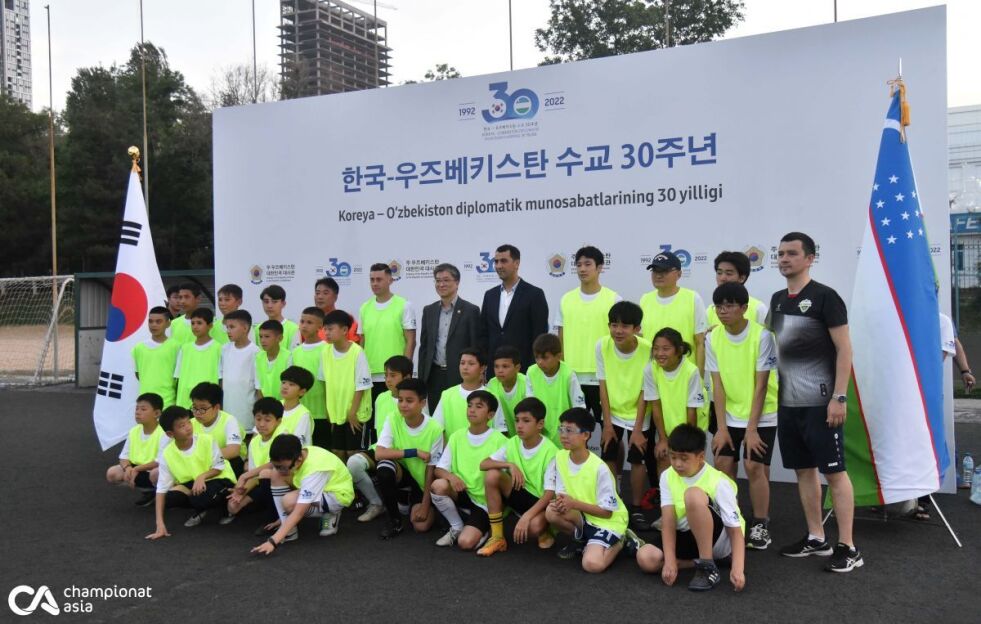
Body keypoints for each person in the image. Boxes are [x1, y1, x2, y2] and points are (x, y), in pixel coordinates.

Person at [769, 231, 862, 572]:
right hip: (788, 404)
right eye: (780, 253)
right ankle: (816, 537)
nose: (784, 259)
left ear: (810, 258)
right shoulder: (778, 299)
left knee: (834, 473)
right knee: (803, 471)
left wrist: (839, 396)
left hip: (822, 404)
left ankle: (849, 547)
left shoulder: (825, 297)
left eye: (792, 253)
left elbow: (845, 349)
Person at [706, 282, 778, 550]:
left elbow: (761, 386)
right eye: (719, 307)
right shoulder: (713, 338)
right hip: (729, 414)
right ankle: (731, 519)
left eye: (729, 306)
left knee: (754, 466)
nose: (723, 311)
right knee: (722, 463)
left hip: (762, 415)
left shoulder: (762, 336)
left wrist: (751, 429)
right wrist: (721, 427)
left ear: (744, 308)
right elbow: (717, 386)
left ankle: (760, 524)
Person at [635, 424, 746, 592]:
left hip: (720, 541)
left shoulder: (719, 481)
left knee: (693, 495)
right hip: (687, 533)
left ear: (701, 456)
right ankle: (699, 562)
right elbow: (668, 522)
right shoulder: (667, 476)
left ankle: (707, 567)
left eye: (684, 458)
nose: (677, 464)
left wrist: (738, 569)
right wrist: (670, 561)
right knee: (646, 559)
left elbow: (735, 530)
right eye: (673, 457)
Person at [545, 407, 641, 572]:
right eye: (561, 429)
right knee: (551, 511)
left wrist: (573, 504)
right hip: (583, 515)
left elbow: (607, 513)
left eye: (569, 430)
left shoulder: (599, 468)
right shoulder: (560, 457)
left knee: (592, 565)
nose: (563, 435)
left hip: (607, 522)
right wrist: (564, 503)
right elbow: (563, 494)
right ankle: (581, 540)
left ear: (586, 435)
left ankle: (621, 540)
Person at [477, 397, 558, 556]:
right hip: (519, 493)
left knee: (533, 528)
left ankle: (545, 530)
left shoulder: (551, 451)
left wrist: (527, 516)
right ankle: (497, 537)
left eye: (526, 421)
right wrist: (509, 465)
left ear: (540, 424)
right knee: (492, 474)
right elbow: (483, 464)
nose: (519, 425)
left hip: (541, 502)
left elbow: (549, 494)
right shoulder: (513, 442)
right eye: (517, 420)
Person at [250, 434, 355, 554]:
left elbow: (299, 512)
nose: (280, 470)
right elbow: (276, 466)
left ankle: (331, 513)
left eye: (282, 467)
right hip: (322, 487)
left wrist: (272, 541)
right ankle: (288, 529)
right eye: (276, 466)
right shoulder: (298, 453)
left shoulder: (314, 470)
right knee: (274, 474)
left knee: (289, 502)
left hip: (337, 495)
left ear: (299, 460)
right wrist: (245, 476)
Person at [599, 301, 654, 531]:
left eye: (624, 326)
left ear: (637, 328)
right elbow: (603, 385)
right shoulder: (602, 345)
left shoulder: (648, 349)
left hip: (638, 413)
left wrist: (638, 429)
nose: (618, 331)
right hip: (612, 412)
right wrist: (607, 424)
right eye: (614, 325)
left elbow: (645, 390)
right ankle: (613, 502)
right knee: (609, 453)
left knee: (637, 459)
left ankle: (636, 508)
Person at [430, 390, 508, 549]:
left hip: (485, 503)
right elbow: (439, 470)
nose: (472, 410)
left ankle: (483, 527)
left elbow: (501, 481)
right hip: (462, 493)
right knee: (439, 485)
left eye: (479, 407)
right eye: (469, 405)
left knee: (465, 543)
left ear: (491, 415)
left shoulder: (500, 440)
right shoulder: (456, 436)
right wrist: (452, 477)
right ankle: (457, 526)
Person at [145, 406, 236, 539]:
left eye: (188, 422)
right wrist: (160, 524)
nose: (188, 427)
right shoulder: (167, 453)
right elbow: (161, 489)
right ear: (170, 434)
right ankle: (198, 503)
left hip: (219, 478)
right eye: (182, 426)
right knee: (169, 498)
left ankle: (224, 508)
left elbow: (219, 467)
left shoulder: (207, 440)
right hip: (193, 484)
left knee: (202, 498)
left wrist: (202, 477)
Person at [346, 355, 416, 524]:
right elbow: (379, 434)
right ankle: (376, 503)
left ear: (407, 377)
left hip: (406, 456)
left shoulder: (417, 400)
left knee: (386, 466)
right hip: (382, 450)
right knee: (353, 463)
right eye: (386, 375)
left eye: (393, 375)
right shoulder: (381, 398)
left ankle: (404, 493)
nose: (388, 379)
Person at [557, 245, 622, 426]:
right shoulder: (566, 299)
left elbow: (620, 338)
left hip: (603, 376)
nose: (582, 269)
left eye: (587, 264)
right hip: (573, 376)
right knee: (572, 428)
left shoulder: (613, 299)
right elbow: (560, 336)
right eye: (578, 265)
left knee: (610, 431)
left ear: (599, 267)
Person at [372, 378, 443, 538]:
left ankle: (410, 499)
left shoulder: (435, 428)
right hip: (403, 474)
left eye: (409, 401)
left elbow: (431, 470)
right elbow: (379, 453)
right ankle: (395, 521)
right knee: (384, 467)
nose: (403, 405)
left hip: (423, 482)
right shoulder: (393, 418)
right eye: (400, 400)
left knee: (421, 526)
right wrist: (414, 452)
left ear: (422, 403)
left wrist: (425, 505)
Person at [641, 328, 704, 481]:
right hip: (667, 428)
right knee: (663, 458)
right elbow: (656, 406)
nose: (659, 353)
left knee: (687, 465)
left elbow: (691, 412)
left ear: (679, 350)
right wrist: (663, 439)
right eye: (656, 348)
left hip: (691, 429)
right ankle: (665, 496)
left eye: (666, 349)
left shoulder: (691, 371)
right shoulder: (650, 369)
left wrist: (687, 443)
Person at [478, 244, 550, 372]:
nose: (499, 266)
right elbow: (484, 334)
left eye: (504, 261)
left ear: (517, 263)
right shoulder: (490, 295)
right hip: (494, 370)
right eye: (496, 261)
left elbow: (539, 336)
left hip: (524, 369)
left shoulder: (535, 294)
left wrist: (533, 368)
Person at [418, 263, 481, 408]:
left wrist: (477, 375)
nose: (441, 284)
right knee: (436, 416)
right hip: (433, 376)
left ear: (457, 282)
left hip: (460, 374)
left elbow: (476, 346)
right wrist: (422, 377)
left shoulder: (471, 310)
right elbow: (424, 347)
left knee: (460, 413)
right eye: (438, 280)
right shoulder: (429, 311)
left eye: (446, 280)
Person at [639, 251, 708, 374]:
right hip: (652, 376)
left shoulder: (692, 299)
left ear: (679, 274)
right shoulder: (645, 300)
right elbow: (641, 341)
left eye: (664, 271)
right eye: (655, 271)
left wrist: (699, 378)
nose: (658, 275)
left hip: (685, 376)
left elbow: (700, 343)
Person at [359, 263, 417, 404]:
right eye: (372, 280)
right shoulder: (364, 307)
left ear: (390, 280)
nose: (375, 283)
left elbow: (411, 341)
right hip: (370, 375)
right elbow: (362, 341)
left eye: (379, 279)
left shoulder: (404, 305)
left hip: (395, 375)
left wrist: (405, 372)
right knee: (374, 416)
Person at [322, 310, 373, 461]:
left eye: (330, 329)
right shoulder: (325, 351)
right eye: (325, 329)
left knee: (353, 454)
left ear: (345, 330)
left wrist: (352, 412)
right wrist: (328, 409)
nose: (326, 333)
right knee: (337, 452)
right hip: (336, 414)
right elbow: (324, 381)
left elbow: (362, 385)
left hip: (355, 414)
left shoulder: (357, 352)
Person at [226, 397, 285, 526]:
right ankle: (265, 507)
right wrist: (241, 491)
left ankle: (276, 518)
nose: (262, 424)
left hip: (285, 482)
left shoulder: (283, 435)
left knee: (266, 474)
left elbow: (276, 463)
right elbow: (254, 476)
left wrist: (245, 476)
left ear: (278, 421)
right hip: (262, 483)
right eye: (258, 419)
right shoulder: (254, 442)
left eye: (267, 420)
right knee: (233, 506)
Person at [525, 333, 586, 445]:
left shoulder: (568, 374)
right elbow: (530, 405)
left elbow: (579, 408)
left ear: (558, 356)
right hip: (540, 434)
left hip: (565, 436)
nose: (540, 362)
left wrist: (570, 432)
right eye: (537, 357)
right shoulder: (531, 372)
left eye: (545, 358)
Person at [432, 348, 507, 438]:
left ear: (482, 368)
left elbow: (501, 431)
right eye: (462, 363)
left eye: (471, 364)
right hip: (453, 447)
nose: (465, 367)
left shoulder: (492, 396)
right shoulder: (447, 395)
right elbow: (437, 428)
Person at [106, 392, 165, 506]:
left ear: (157, 413)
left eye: (143, 409)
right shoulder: (134, 431)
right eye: (137, 408)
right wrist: (128, 468)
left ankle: (161, 493)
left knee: (156, 474)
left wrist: (136, 469)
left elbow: (160, 461)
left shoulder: (163, 433)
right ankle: (148, 492)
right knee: (112, 473)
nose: (137, 412)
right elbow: (124, 456)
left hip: (152, 470)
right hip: (137, 469)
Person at [290, 307, 329, 446]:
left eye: (309, 322)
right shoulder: (295, 352)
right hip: (301, 413)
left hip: (322, 414)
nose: (304, 326)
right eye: (302, 321)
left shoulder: (327, 349)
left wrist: (329, 410)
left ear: (320, 326)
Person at [189, 382, 245, 475]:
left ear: (216, 407)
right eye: (194, 408)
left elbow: (233, 451)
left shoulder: (229, 420)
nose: (197, 413)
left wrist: (202, 459)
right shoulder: (190, 423)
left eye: (203, 409)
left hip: (228, 465)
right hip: (202, 466)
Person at [705, 252, 769, 329]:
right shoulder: (710, 310)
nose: (722, 278)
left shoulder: (758, 308)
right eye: (719, 273)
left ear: (742, 278)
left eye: (728, 274)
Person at [173, 308, 221, 408]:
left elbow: (220, 377)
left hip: (207, 400)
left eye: (199, 323)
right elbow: (177, 376)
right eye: (193, 323)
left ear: (210, 325)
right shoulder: (185, 348)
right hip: (185, 399)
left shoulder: (218, 348)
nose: (195, 326)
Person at [220, 309, 259, 430]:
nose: (228, 331)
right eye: (227, 327)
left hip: (247, 408)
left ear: (245, 328)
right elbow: (221, 378)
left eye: (232, 327)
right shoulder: (224, 349)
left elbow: (258, 385)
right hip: (227, 406)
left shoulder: (255, 352)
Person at [132, 306, 179, 407]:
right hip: (145, 402)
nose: (154, 325)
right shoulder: (139, 348)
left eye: (158, 322)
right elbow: (138, 374)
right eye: (151, 321)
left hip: (168, 402)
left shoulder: (176, 347)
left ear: (168, 324)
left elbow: (179, 377)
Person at [486, 345, 526, 436]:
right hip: (501, 437)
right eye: (496, 366)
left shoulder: (526, 383)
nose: (500, 370)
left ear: (517, 368)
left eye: (505, 366)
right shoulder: (492, 384)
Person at [253, 285, 299, 352]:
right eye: (266, 302)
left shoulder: (293, 328)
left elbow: (295, 354)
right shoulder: (258, 328)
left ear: (283, 304)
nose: (269, 306)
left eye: (274, 301)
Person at [314, 277, 360, 343]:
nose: (320, 297)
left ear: (335, 297)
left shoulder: (345, 319)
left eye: (325, 293)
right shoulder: (309, 321)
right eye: (317, 293)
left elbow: (355, 346)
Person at [254, 320, 290, 400]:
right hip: (265, 404)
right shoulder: (258, 357)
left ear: (279, 338)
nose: (262, 340)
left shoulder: (288, 357)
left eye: (267, 336)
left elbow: (290, 387)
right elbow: (258, 387)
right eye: (260, 336)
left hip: (283, 404)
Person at [279, 366, 314, 446]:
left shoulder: (303, 415)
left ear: (302, 392)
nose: (285, 387)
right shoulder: (273, 406)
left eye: (291, 384)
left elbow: (297, 444)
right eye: (283, 382)